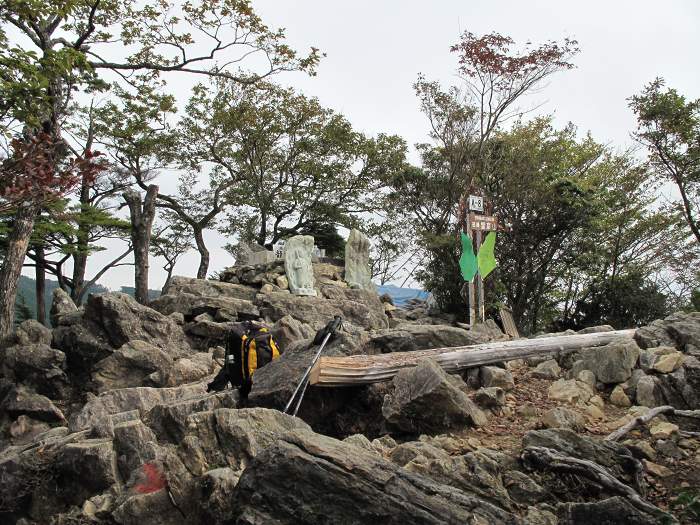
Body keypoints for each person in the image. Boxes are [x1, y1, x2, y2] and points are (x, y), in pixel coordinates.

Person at [206, 320, 281, 401]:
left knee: (230, 361)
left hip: (246, 385)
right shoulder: (264, 334)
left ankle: (219, 384)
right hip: (272, 379)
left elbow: (229, 365)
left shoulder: (235, 336)